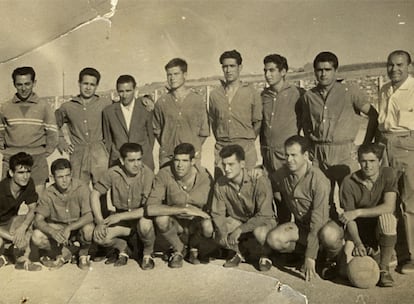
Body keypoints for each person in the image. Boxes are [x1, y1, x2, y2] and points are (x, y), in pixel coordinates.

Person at [301, 51, 378, 216]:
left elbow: (373, 114)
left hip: (344, 153)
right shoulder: (309, 96)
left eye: (327, 69)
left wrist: (364, 145)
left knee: (351, 199)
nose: (323, 74)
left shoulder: (349, 91)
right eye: (319, 70)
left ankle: (357, 239)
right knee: (322, 200)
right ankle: (329, 237)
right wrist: (310, 148)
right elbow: (306, 125)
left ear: (336, 71)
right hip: (319, 155)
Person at [329, 143, 398, 287]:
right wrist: (357, 242)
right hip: (357, 231)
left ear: (379, 161)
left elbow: (389, 207)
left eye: (372, 161)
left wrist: (358, 212)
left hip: (378, 227)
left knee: (388, 219)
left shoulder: (388, 174)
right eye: (364, 161)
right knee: (344, 272)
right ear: (359, 161)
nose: (368, 166)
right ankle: (370, 252)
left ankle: (384, 268)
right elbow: (349, 219)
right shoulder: (349, 182)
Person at [267, 135, 331, 281]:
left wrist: (310, 256)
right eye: (287, 155)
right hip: (302, 227)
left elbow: (318, 221)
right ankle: (312, 254)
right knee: (273, 239)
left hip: (322, 227)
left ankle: (331, 258)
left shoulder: (318, 180)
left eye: (294, 155)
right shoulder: (284, 173)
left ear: (306, 155)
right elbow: (268, 179)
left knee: (330, 236)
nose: (289, 160)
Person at [209, 144, 276, 271]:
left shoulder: (258, 180)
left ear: (242, 164)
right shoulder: (221, 184)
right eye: (224, 165)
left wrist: (240, 229)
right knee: (218, 231)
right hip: (239, 220)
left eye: (231, 164)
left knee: (260, 233)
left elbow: (265, 214)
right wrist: (222, 233)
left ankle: (264, 254)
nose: (226, 169)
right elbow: (218, 213)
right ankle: (239, 252)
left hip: (262, 222)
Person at [377, 50, 414, 274]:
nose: (394, 69)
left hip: (408, 146)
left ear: (409, 66)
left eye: (400, 65)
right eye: (390, 65)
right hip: (386, 146)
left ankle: (413, 256)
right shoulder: (384, 89)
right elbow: (382, 123)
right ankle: (395, 251)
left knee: (410, 202)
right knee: (389, 200)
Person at [90, 143, 156, 270]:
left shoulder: (147, 174)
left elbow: (149, 209)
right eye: (131, 160)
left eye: (139, 159)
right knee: (99, 237)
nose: (136, 164)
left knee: (145, 225)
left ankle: (148, 254)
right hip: (124, 221)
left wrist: (120, 216)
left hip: (141, 217)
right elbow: (95, 193)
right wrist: (99, 221)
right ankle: (122, 246)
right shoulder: (113, 173)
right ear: (122, 160)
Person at [146, 143, 213, 268]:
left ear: (193, 161)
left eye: (184, 161)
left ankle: (195, 246)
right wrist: (183, 210)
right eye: (176, 160)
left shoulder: (205, 176)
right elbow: (150, 208)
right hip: (176, 224)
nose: (179, 165)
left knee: (208, 225)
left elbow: (213, 208)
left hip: (195, 225)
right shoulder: (164, 174)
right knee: (161, 219)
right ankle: (179, 248)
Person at [0, 66, 58, 193]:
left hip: (36, 160)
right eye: (19, 84)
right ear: (14, 84)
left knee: (39, 202)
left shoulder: (44, 106)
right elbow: (1, 132)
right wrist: (7, 151)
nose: (23, 88)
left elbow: (52, 134)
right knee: (7, 203)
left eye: (27, 84)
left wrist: (43, 153)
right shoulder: (5, 107)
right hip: (11, 159)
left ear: (34, 83)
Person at [32, 158, 95, 270]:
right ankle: (64, 252)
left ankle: (83, 253)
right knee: (37, 237)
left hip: (77, 226)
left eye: (67, 175)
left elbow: (89, 215)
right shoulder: (48, 193)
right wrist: (52, 232)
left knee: (89, 230)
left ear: (72, 174)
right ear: (52, 178)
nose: (65, 180)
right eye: (60, 177)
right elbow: (38, 220)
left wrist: (70, 228)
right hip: (59, 228)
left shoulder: (81, 187)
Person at [209, 50, 262, 177]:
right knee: (222, 187)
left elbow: (258, 121)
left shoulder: (251, 93)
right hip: (222, 147)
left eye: (232, 66)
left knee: (247, 186)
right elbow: (214, 122)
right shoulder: (215, 95)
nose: (228, 70)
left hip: (245, 148)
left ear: (240, 67)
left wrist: (247, 139)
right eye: (225, 67)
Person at [55, 67, 111, 184]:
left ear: (97, 86)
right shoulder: (68, 106)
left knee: (101, 190)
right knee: (78, 190)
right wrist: (61, 142)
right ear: (79, 83)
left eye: (92, 84)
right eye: (85, 83)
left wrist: (145, 101)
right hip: (78, 154)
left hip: (99, 153)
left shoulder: (105, 103)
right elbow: (53, 124)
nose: (88, 88)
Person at [153, 58, 209, 166]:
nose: (172, 78)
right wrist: (168, 145)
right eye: (169, 75)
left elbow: (204, 132)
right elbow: (157, 130)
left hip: (190, 159)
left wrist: (191, 148)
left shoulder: (197, 101)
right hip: (168, 158)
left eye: (176, 74)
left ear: (185, 75)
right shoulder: (161, 102)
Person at [260, 53, 303, 174]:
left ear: (283, 72)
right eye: (265, 71)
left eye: (272, 70)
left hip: (287, 157)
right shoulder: (263, 96)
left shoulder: (298, 94)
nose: (267, 75)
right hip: (268, 157)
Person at [103, 74, 155, 169]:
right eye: (121, 91)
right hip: (119, 161)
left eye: (128, 91)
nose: (125, 95)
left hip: (143, 161)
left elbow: (151, 137)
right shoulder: (109, 112)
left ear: (135, 90)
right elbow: (108, 139)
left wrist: (144, 153)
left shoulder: (145, 109)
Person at [0, 152, 41, 271]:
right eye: (21, 172)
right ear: (11, 173)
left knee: (32, 221)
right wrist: (14, 238)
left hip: (10, 223)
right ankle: (6, 255)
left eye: (28, 172)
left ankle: (22, 260)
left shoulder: (29, 183)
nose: (25, 176)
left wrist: (23, 227)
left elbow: (33, 209)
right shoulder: (1, 190)